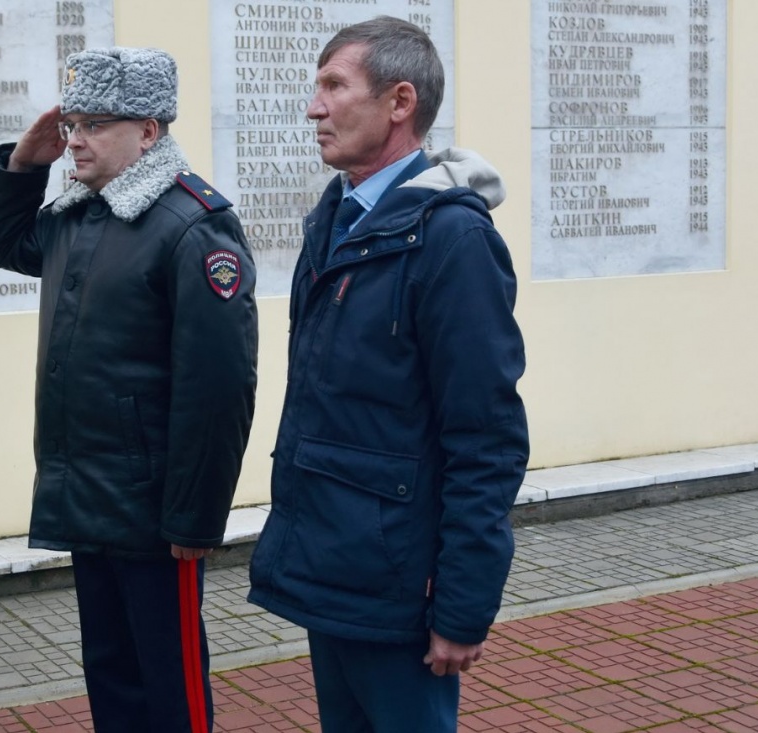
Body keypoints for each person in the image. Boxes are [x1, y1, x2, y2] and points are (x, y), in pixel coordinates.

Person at [247, 16, 529, 733]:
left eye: (334, 86)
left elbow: (486, 436)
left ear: (400, 102)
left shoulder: (452, 239)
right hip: (335, 569)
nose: (313, 108)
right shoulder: (336, 219)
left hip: (400, 584)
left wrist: (462, 605)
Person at [0, 47, 258, 733]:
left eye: (95, 125)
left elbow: (218, 389)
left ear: (149, 131)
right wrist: (23, 165)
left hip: (154, 510)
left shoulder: (193, 226)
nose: (76, 139)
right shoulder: (79, 215)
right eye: (71, 124)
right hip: (89, 494)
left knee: (169, 684)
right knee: (110, 674)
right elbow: (5, 243)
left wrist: (194, 518)